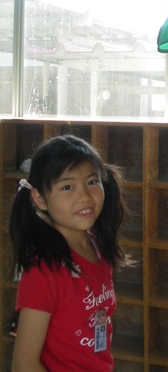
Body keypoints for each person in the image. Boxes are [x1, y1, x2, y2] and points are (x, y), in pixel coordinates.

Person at [9, 135, 130, 372]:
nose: (84, 196)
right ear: (40, 199)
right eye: (67, 187)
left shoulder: (96, 246)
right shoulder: (44, 270)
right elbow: (23, 365)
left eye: (92, 182)